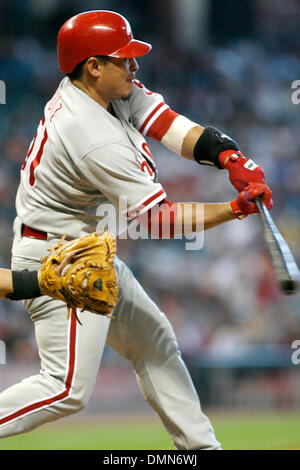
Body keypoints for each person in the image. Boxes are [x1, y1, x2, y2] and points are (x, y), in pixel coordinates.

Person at [0, 10, 272, 450]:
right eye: (124, 58)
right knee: (65, 388)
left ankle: (203, 449)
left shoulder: (103, 91)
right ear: (94, 66)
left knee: (155, 342)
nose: (135, 66)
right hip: (54, 259)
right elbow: (157, 220)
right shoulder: (90, 133)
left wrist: (228, 156)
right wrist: (233, 210)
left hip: (84, 249)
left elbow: (166, 123)